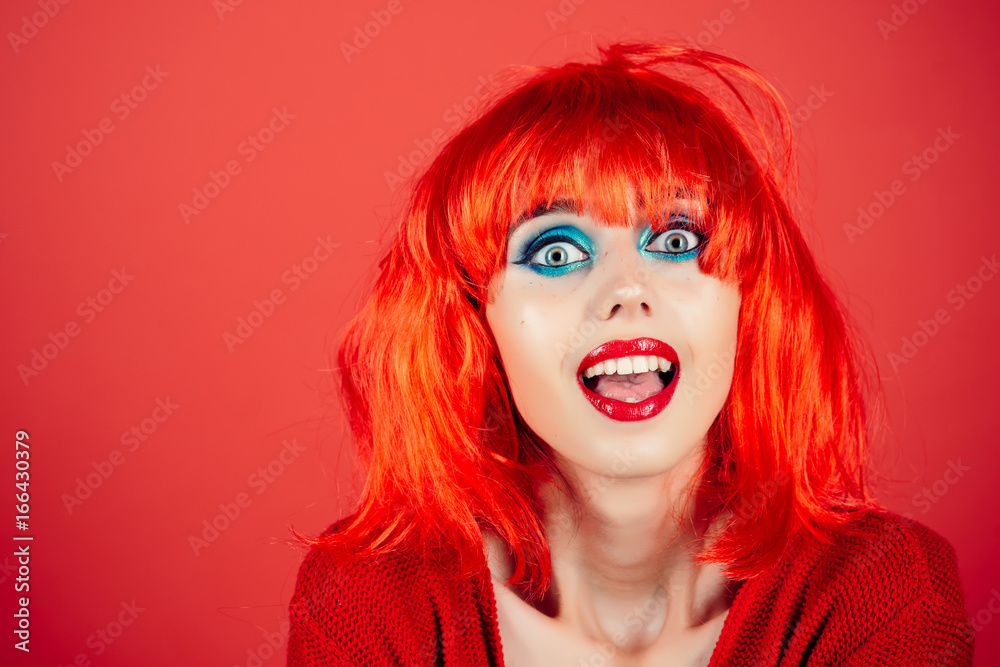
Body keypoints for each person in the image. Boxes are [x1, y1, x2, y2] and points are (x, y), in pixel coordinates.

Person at [286, 42, 974, 666]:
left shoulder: (882, 589)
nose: (625, 290)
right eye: (556, 252)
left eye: (675, 240)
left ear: (747, 299)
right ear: (476, 320)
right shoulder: (372, 600)